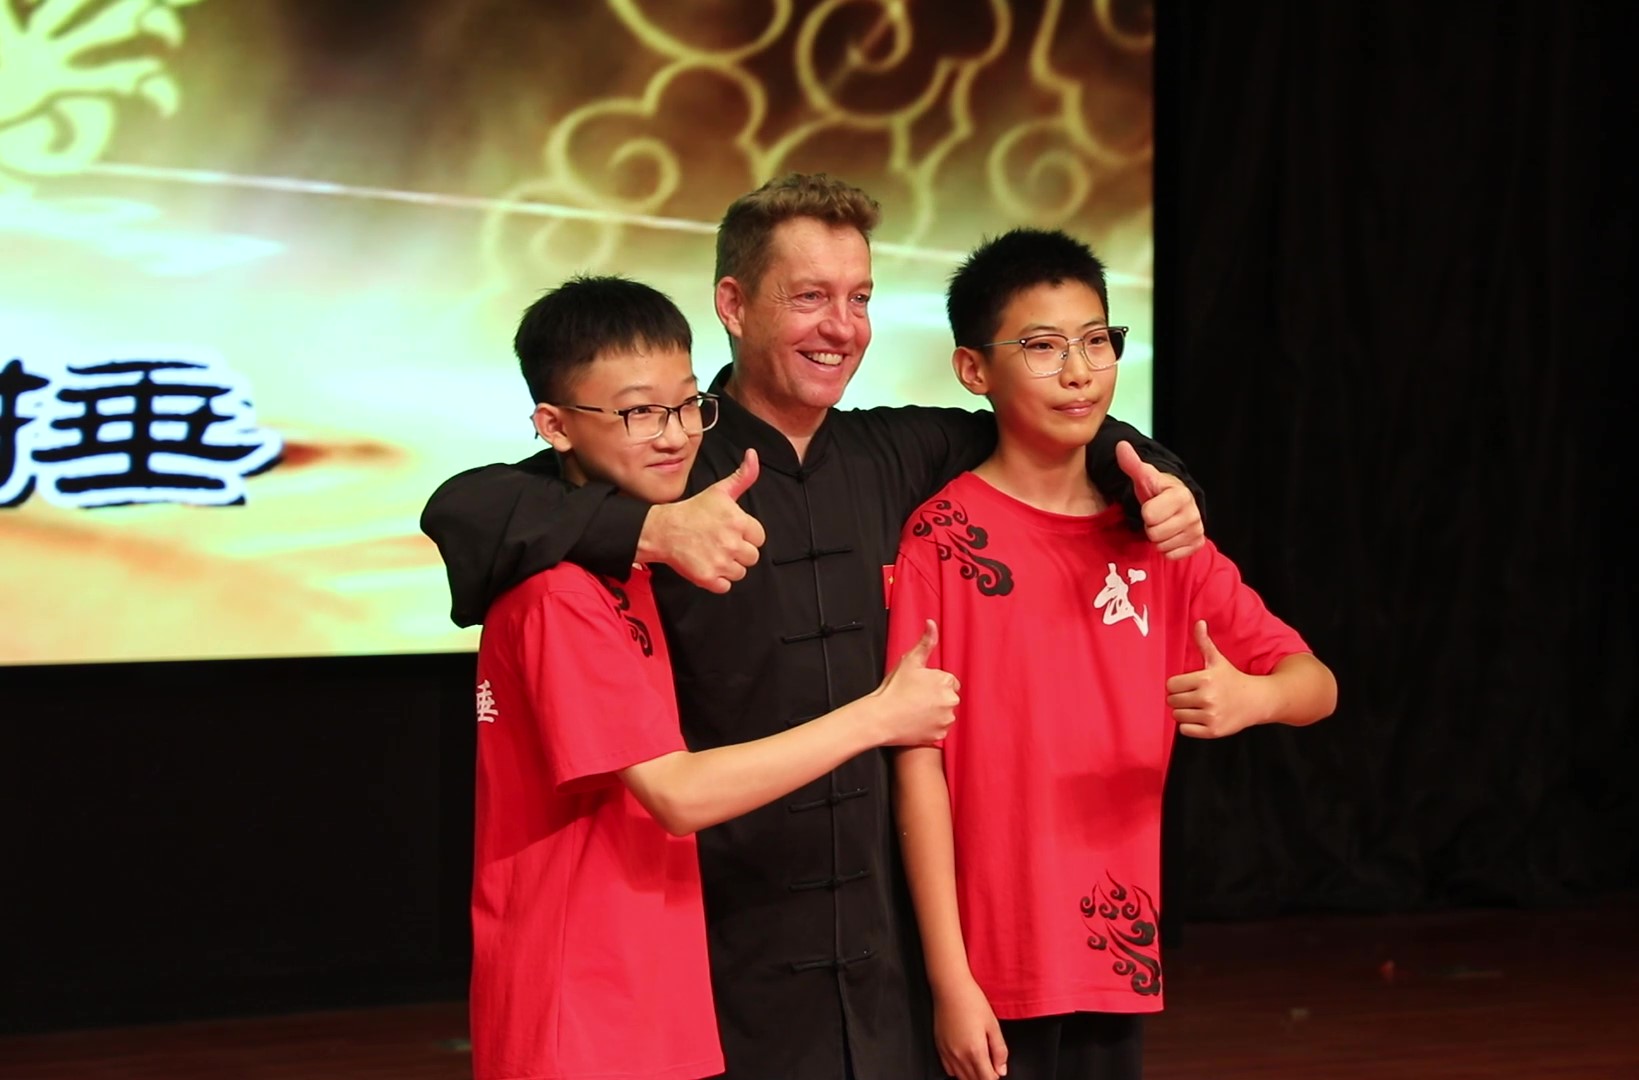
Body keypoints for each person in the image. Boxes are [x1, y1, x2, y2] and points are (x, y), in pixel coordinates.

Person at [422, 173, 1207, 1080]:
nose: (842, 327)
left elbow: (1050, 425)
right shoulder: (662, 456)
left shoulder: (899, 451)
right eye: (809, 298)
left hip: (880, 954)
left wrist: (1164, 480)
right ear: (732, 304)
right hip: (712, 955)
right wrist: (652, 530)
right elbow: (466, 509)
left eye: (859, 298)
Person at [467, 274, 964, 1080]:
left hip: (650, 986)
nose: (673, 436)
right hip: (581, 1006)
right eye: (639, 413)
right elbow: (678, 795)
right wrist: (879, 716)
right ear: (554, 426)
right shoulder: (560, 592)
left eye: (687, 405)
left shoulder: (626, 566)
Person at [886, 228, 1338, 1080]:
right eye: (1042, 347)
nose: (1080, 371)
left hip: (1114, 949)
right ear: (974, 371)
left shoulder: (1160, 529)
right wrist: (949, 979)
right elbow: (917, 763)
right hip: (988, 960)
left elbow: (1316, 684)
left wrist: (1254, 699)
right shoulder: (942, 537)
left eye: (1097, 340)